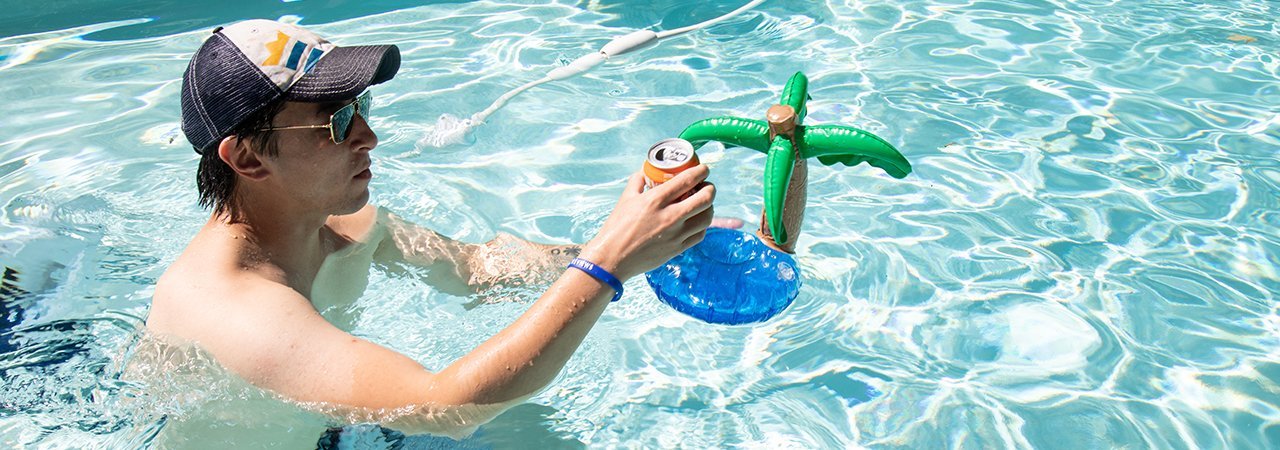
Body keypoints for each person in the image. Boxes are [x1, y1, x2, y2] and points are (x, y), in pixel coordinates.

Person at [145, 19, 714, 433]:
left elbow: (473, 268)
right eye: (336, 120)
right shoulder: (234, 309)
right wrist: (608, 263)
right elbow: (446, 408)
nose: (368, 136)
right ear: (247, 160)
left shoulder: (349, 224)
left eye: (361, 105)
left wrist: (642, 238)